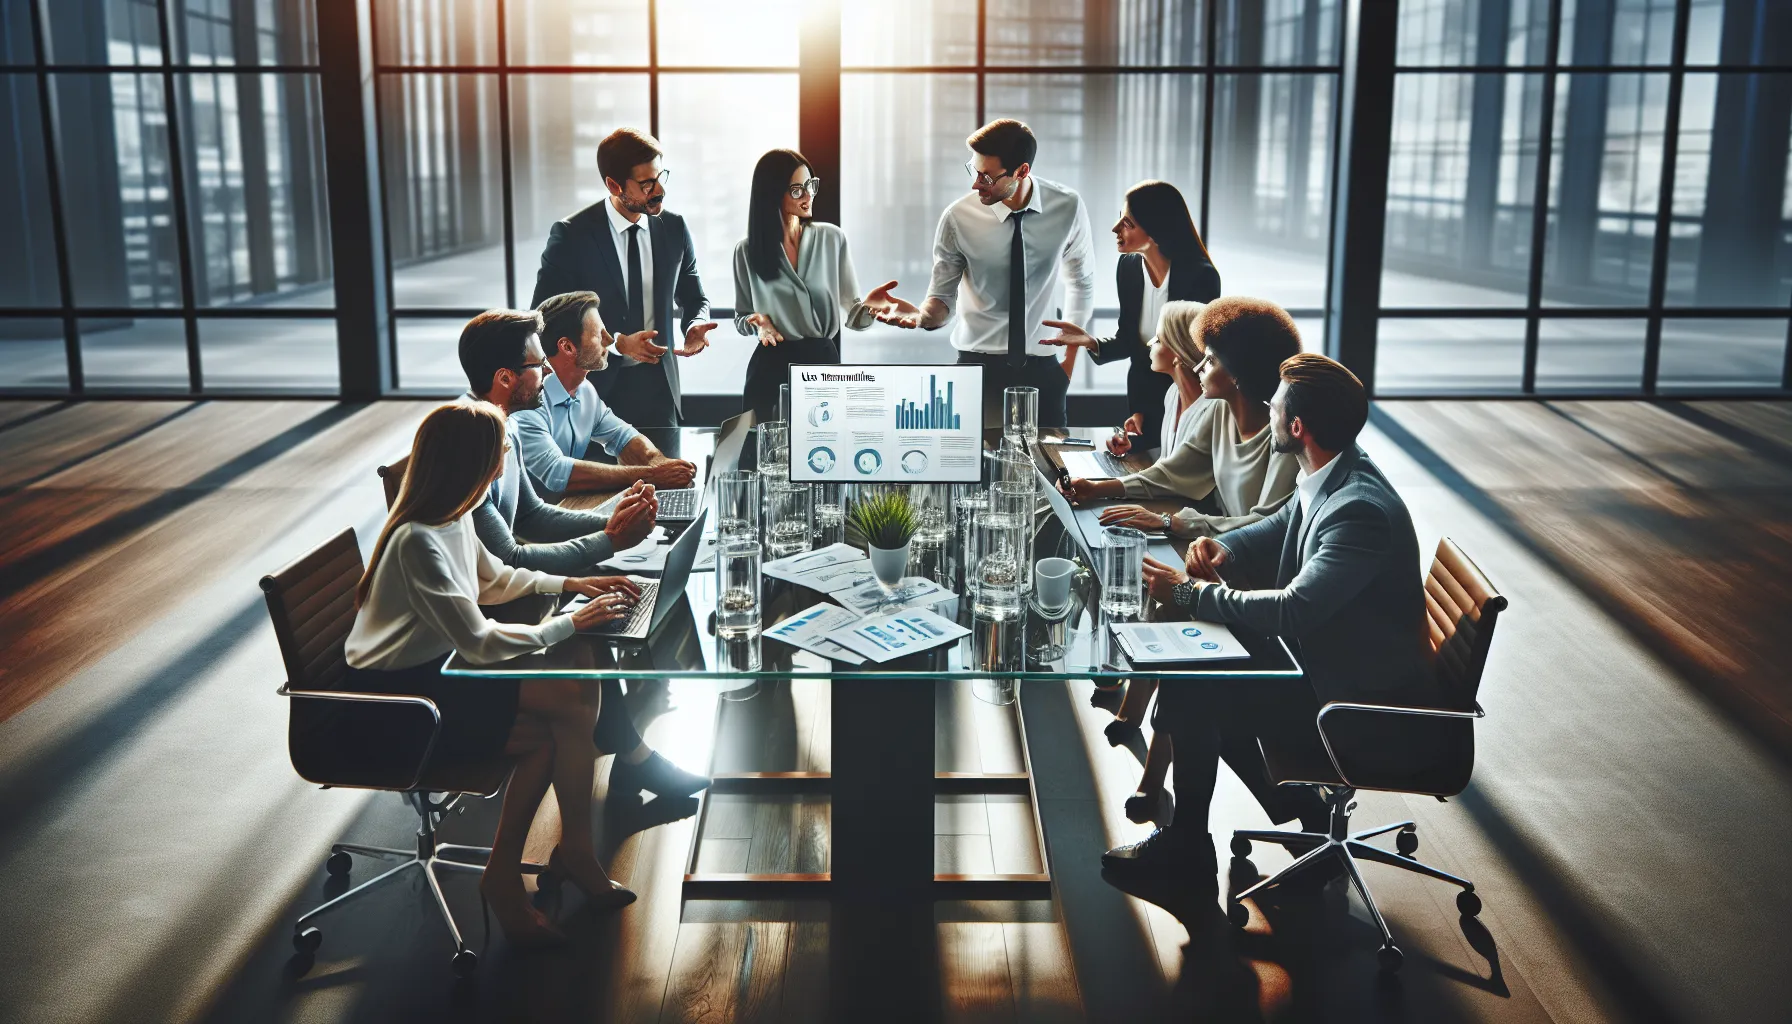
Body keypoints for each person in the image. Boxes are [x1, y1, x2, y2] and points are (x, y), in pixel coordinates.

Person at [1102, 353, 1444, 887]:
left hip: (1357, 703)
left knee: (1196, 683)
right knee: (1200, 667)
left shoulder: (1359, 510)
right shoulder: (1333, 469)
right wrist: (1222, 548)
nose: (1268, 408)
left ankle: (1188, 849)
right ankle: (1295, 814)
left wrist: (1191, 594)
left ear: (1297, 427)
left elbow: (1293, 610)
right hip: (1335, 664)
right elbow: (1280, 525)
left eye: (1276, 405)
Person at [343, 402, 643, 943]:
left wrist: (569, 588)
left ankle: (524, 868)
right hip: (402, 703)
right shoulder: (417, 540)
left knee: (566, 712)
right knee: (572, 700)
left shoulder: (452, 515)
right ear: (474, 464)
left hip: (435, 669)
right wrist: (569, 625)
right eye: (502, 453)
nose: (508, 460)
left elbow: (494, 579)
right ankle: (559, 859)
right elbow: (479, 642)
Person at [460, 306, 711, 801]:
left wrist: (618, 526)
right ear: (506, 378)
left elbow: (531, 515)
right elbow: (508, 558)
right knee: (585, 654)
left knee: (595, 632)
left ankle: (630, 760)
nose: (548, 370)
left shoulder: (501, 425)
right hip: (482, 622)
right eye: (538, 363)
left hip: (504, 599)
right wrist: (611, 540)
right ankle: (631, 761)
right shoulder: (473, 444)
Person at [874, 119, 1094, 427]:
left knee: (1047, 469)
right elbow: (941, 299)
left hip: (1044, 371)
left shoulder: (1067, 207)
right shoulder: (958, 218)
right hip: (977, 369)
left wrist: (1067, 366)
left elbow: (1081, 282)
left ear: (1022, 171)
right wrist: (922, 317)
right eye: (974, 171)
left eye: (986, 177)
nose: (976, 184)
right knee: (975, 471)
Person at [530, 127, 716, 454]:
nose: (660, 190)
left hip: (660, 392)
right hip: (595, 393)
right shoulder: (572, 235)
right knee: (600, 500)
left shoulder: (674, 228)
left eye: (661, 177)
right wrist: (615, 343)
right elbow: (544, 316)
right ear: (614, 185)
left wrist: (694, 324)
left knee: (667, 491)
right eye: (647, 184)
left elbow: (693, 295)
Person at [1060, 297, 1302, 540]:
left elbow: (1266, 525)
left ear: (1237, 373)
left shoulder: (1283, 438)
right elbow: (1172, 473)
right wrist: (1095, 488)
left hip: (1257, 567)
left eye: (1210, 361)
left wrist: (1170, 522)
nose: (1198, 367)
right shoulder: (1220, 411)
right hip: (1220, 549)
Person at [1042, 180, 1221, 445]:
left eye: (1128, 223)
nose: (1116, 229)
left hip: (1188, 400)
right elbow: (1131, 343)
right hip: (1143, 399)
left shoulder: (1200, 277)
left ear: (1155, 230)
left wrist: (1178, 411)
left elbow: (1193, 357)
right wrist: (1090, 341)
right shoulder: (1128, 269)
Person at [733, 149, 906, 422]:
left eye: (810, 185)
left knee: (822, 450)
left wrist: (871, 307)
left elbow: (854, 316)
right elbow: (742, 317)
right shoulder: (746, 251)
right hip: (768, 365)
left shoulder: (832, 239)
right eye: (797, 190)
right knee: (762, 452)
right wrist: (759, 322)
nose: (808, 195)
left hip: (821, 364)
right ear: (772, 193)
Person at [514, 291, 698, 502]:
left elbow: (623, 437)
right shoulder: (528, 400)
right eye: (599, 333)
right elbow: (557, 473)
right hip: (523, 527)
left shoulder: (585, 391)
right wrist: (652, 475)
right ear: (567, 347)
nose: (610, 340)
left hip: (564, 510)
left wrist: (660, 462)